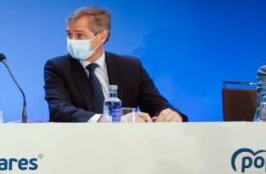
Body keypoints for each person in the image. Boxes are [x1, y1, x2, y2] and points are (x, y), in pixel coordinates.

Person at [44, 6, 185, 123]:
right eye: (69, 35)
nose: (72, 41)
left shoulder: (131, 67)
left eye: (80, 35)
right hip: (76, 145)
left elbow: (156, 104)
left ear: (102, 36)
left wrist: (172, 115)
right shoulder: (57, 67)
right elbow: (60, 110)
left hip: (125, 146)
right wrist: (107, 120)